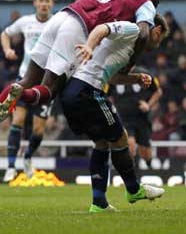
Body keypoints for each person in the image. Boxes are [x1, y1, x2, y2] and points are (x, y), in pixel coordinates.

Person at [0, 0, 164, 160]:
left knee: (27, 80)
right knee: (48, 91)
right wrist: (130, 65)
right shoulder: (145, 2)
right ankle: (20, 94)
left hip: (62, 16)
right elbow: (143, 33)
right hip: (78, 30)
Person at [59, 15, 169, 212]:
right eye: (159, 39)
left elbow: (114, 77)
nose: (157, 44)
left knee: (102, 142)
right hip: (88, 89)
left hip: (71, 93)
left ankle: (99, 203)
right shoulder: (133, 30)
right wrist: (90, 46)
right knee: (120, 138)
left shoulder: (129, 48)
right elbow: (102, 28)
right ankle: (134, 189)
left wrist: (135, 79)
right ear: (157, 31)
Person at [0, 0, 55, 182]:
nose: (44, 4)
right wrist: (7, 50)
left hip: (47, 82)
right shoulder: (25, 21)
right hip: (24, 78)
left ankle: (28, 156)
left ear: (52, 4)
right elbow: (5, 34)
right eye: (41, 0)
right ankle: (10, 166)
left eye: (47, 1)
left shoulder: (58, 22)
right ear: (35, 3)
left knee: (39, 130)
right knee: (18, 120)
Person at [114, 66, 162, 169]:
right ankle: (131, 174)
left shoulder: (144, 74)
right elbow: (106, 93)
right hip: (124, 118)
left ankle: (149, 165)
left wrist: (148, 105)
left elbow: (158, 91)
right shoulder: (114, 75)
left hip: (141, 118)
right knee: (130, 145)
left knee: (145, 153)